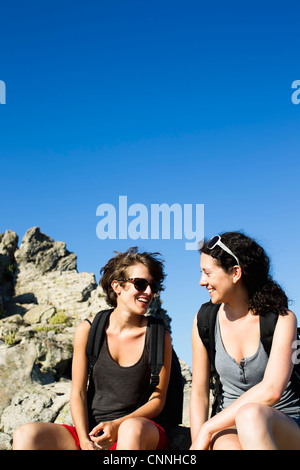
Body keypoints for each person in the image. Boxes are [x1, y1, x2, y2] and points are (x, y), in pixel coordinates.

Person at [13, 248, 172, 450]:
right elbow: (78, 393)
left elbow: (157, 400)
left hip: (140, 430)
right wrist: (85, 441)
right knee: (26, 435)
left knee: (130, 430)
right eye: (140, 284)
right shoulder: (88, 331)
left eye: (153, 285)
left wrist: (117, 426)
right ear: (117, 286)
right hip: (93, 432)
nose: (148, 292)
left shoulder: (159, 336)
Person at [190, 232, 300, 450]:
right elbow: (199, 393)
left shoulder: (281, 319)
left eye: (207, 273)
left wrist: (208, 427)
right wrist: (198, 440)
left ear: (236, 273)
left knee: (250, 415)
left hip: (284, 423)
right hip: (227, 427)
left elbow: (272, 390)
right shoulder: (204, 321)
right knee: (225, 445)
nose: (202, 281)